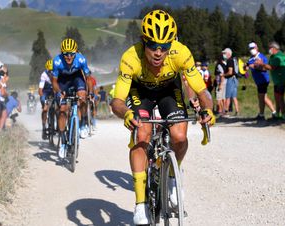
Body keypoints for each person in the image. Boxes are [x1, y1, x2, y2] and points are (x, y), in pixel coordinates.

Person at [110, 10, 215, 225]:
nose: (159, 52)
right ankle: (140, 204)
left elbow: (202, 91)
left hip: (169, 91)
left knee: (179, 136)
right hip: (141, 92)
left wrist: (208, 110)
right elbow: (117, 101)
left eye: (165, 47)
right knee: (143, 133)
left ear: (172, 44)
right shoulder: (131, 58)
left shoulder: (181, 53)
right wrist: (126, 113)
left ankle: (172, 179)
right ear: (143, 41)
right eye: (153, 46)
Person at [52, 38, 92, 158]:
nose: (69, 57)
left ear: (76, 52)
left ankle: (84, 122)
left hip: (76, 78)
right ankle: (63, 142)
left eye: (71, 54)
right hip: (63, 81)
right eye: (66, 54)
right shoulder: (57, 61)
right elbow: (54, 81)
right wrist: (59, 92)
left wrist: (90, 93)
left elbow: (88, 78)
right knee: (62, 110)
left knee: (83, 97)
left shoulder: (81, 59)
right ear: (62, 53)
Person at [244, 42, 276, 120]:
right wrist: (246, 67)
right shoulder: (251, 58)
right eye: (250, 49)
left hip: (263, 79)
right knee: (262, 97)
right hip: (258, 81)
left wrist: (255, 67)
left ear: (257, 48)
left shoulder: (262, 57)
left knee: (263, 97)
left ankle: (272, 112)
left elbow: (265, 68)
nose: (252, 50)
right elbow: (248, 66)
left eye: (253, 48)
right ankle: (262, 114)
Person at [256, 41, 285, 119]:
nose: (268, 49)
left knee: (280, 98)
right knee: (277, 98)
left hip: (281, 80)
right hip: (276, 81)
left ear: (274, 48)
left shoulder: (279, 57)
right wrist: (258, 66)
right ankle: (277, 114)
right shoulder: (272, 56)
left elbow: (272, 67)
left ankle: (283, 115)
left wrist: (262, 64)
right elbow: (267, 67)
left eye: (269, 48)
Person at [39, 59, 54, 139]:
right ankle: (44, 126)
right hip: (45, 92)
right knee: (45, 109)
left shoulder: (57, 73)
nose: (51, 72)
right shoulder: (44, 75)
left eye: (53, 70)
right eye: (50, 70)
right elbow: (40, 90)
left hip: (54, 92)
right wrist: (44, 101)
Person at [222, 48, 240, 116]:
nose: (224, 55)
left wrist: (223, 75)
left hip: (230, 79)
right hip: (235, 79)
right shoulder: (234, 60)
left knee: (228, 96)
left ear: (229, 53)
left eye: (225, 53)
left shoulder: (229, 61)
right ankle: (237, 111)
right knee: (234, 97)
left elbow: (230, 72)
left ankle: (226, 111)